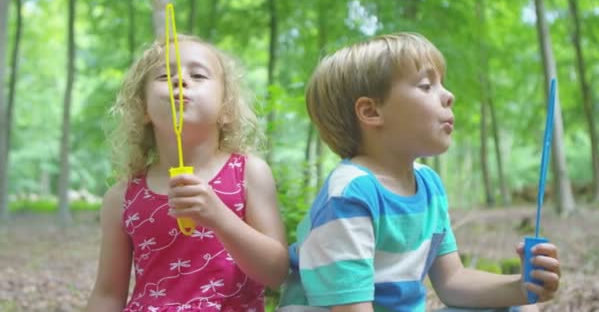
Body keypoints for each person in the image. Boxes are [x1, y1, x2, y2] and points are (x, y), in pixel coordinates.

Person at [278, 32, 561, 311]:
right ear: (371, 112)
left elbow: (453, 281)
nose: (448, 96)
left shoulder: (428, 183)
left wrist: (522, 287)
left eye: (442, 85)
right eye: (427, 86)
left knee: (519, 307)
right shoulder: (350, 195)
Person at [86, 34, 289, 312]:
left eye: (198, 75)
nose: (180, 81)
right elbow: (108, 295)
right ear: (143, 109)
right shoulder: (122, 197)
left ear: (226, 109)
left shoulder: (249, 173)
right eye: (164, 76)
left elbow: (277, 273)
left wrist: (218, 217)